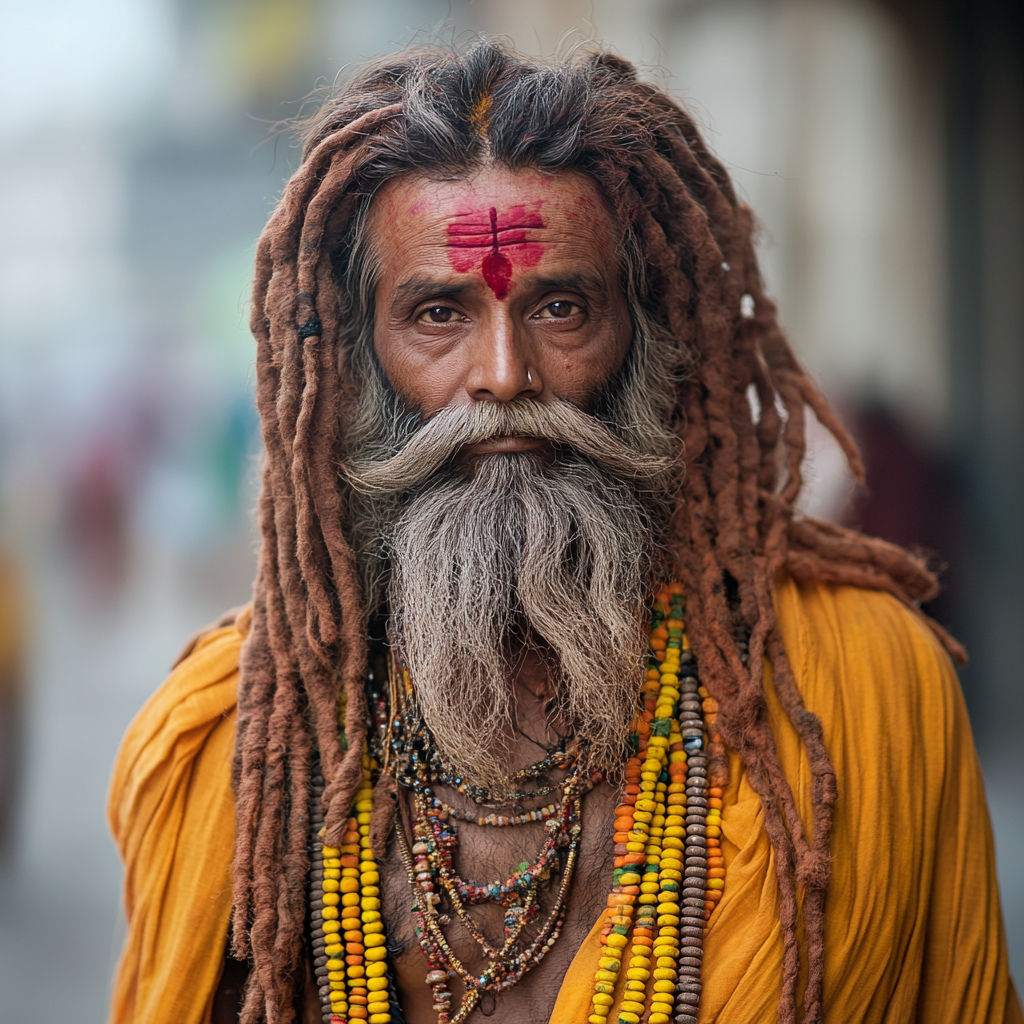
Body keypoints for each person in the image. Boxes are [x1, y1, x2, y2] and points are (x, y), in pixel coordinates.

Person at [106, 43, 1020, 1024]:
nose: (504, 373)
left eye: (559, 307)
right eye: (437, 313)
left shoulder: (865, 687)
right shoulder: (231, 742)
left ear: (647, 340)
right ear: (357, 364)